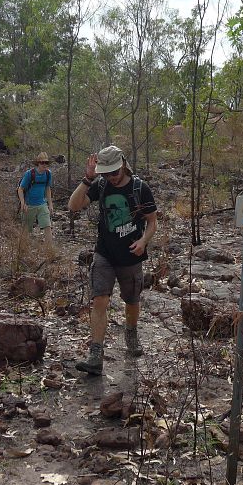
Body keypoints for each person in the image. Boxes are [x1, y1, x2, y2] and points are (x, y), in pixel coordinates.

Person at [68, 145, 157, 375]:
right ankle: (96, 355)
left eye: (114, 173)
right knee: (99, 300)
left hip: (131, 255)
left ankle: (131, 334)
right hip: (104, 252)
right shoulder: (101, 185)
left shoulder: (140, 188)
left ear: (123, 165)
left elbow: (152, 222)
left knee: (131, 299)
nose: (110, 177)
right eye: (105, 173)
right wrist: (88, 179)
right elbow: (73, 206)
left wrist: (144, 241)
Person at [18, 151, 54, 248]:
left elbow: (47, 188)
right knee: (26, 229)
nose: (44, 165)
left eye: (46, 162)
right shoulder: (30, 174)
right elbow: (21, 189)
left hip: (42, 204)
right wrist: (23, 203)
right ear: (38, 163)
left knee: (47, 226)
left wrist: (50, 204)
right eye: (42, 162)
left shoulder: (48, 174)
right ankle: (23, 250)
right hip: (29, 205)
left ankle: (49, 251)